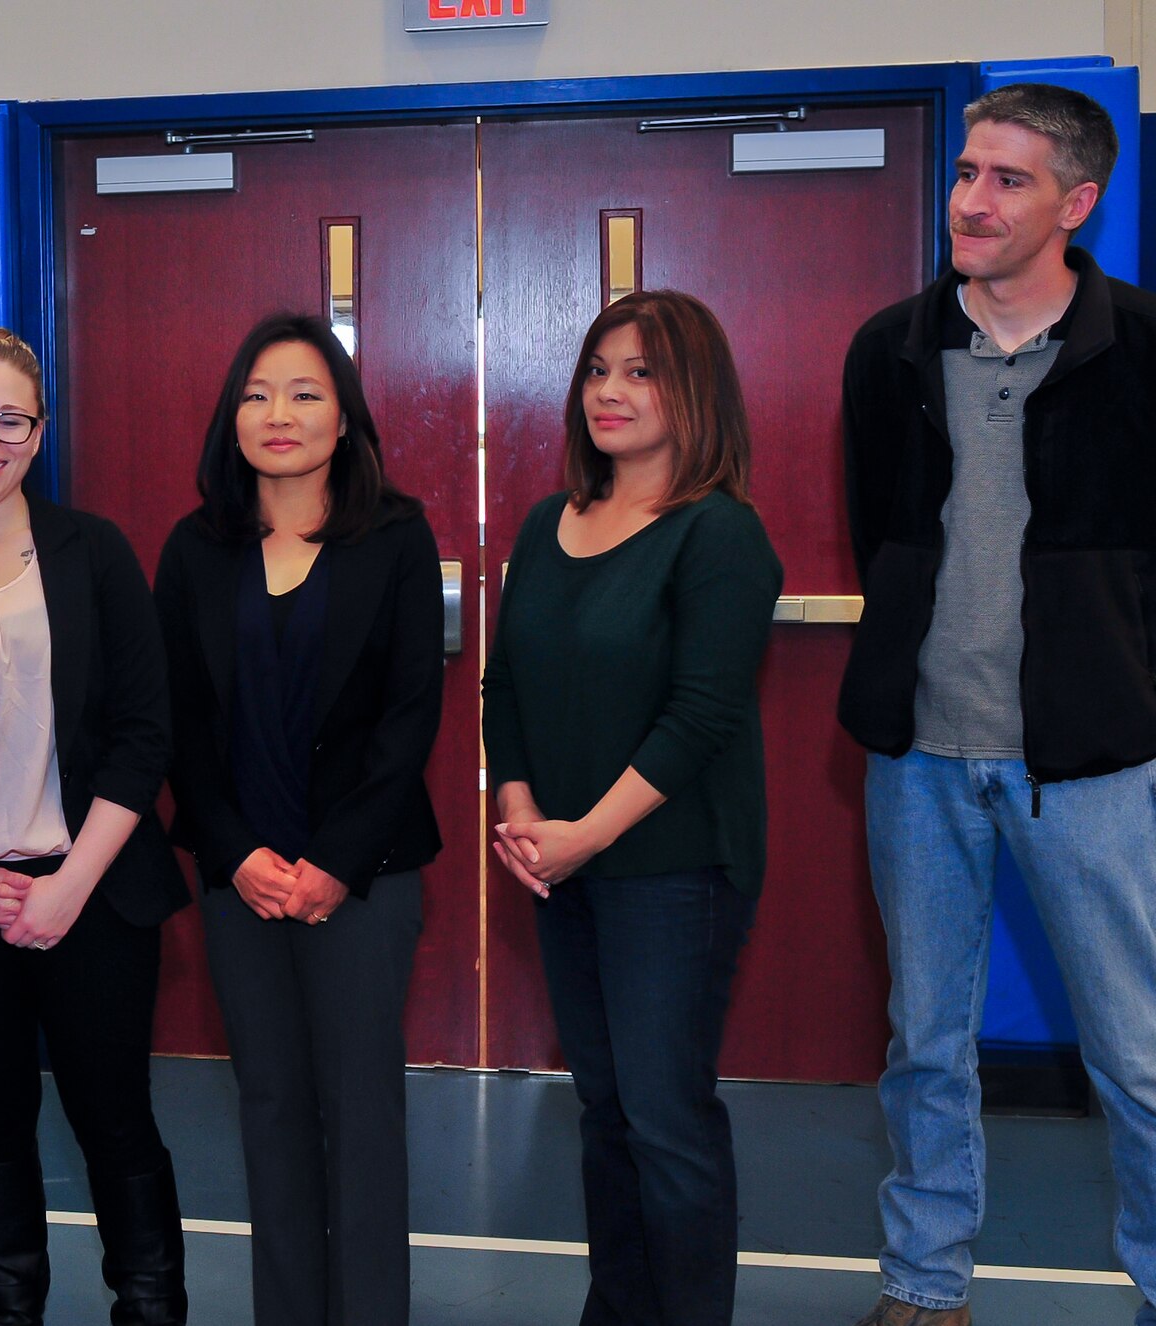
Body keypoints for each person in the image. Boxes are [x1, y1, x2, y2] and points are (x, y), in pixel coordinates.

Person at [837, 82, 1156, 1326]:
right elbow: (882, 537)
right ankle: (924, 1283)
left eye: (1005, 179)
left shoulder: (1138, 348)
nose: (969, 199)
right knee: (924, 1044)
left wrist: (1122, 688)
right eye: (965, 171)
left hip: (1089, 763)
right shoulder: (889, 348)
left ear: (1075, 204)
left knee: (1133, 1058)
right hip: (917, 758)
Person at [481, 289, 782, 1326]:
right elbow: (504, 685)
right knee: (604, 1114)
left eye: (641, 371)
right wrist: (523, 817)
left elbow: (699, 715)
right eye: (598, 368)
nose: (609, 391)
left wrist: (582, 837)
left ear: (693, 390)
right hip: (560, 864)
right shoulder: (543, 521)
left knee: (664, 1119)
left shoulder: (719, 535)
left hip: (672, 871)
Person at [153, 311, 443, 1326]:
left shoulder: (397, 538)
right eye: (256, 393)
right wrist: (234, 855)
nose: (278, 413)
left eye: (304, 393)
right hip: (239, 882)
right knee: (269, 1108)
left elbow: (410, 717)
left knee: (359, 1112)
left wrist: (330, 863)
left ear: (344, 417)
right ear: (231, 417)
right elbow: (179, 724)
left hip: (360, 881)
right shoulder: (193, 549)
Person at [0, 326, 191, 1324]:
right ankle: (8, 1309)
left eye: (8, 418)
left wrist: (69, 884)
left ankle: (151, 1307)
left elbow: (141, 733)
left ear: (37, 433)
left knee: (115, 1123)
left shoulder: (94, 553)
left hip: (96, 897)